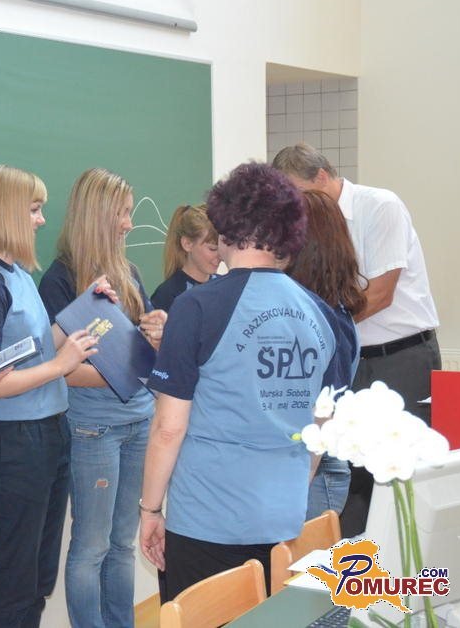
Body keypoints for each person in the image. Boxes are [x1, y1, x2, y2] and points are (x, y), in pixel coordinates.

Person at [138, 163, 342, 600]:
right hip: (285, 517)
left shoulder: (196, 308)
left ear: (225, 224)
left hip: (208, 520)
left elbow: (169, 428)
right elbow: (321, 429)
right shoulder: (325, 317)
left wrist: (150, 508)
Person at [0, 165, 100, 627]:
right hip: (14, 442)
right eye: (34, 210)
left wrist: (87, 309)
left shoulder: (16, 274)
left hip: (49, 432)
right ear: (6, 212)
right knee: (15, 581)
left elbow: (37, 346)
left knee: (38, 578)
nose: (41, 220)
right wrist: (61, 366)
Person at [272, 143, 440, 535]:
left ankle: (400, 567)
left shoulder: (380, 206)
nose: (297, 207)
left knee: (397, 476)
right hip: (347, 360)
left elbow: (380, 294)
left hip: (399, 357)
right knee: (347, 474)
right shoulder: (308, 226)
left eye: (299, 193)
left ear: (322, 177)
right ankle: (350, 567)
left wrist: (321, 332)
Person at [38, 167, 166, 628]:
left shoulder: (128, 274)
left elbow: (143, 349)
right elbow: (59, 370)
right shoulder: (60, 279)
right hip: (93, 428)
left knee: (122, 544)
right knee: (91, 547)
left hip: (138, 421)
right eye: (122, 213)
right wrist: (128, 373)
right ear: (97, 214)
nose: (130, 223)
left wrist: (157, 333)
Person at [285, 189, 367, 518]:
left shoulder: (328, 319)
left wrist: (298, 480)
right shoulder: (327, 311)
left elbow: (324, 409)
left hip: (315, 471)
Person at [151, 203, 220, 312]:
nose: (220, 256)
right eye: (212, 249)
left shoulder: (224, 285)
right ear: (187, 244)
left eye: (222, 248)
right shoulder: (167, 295)